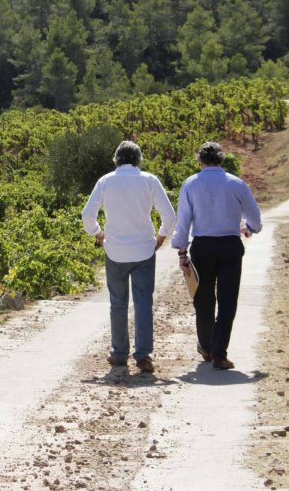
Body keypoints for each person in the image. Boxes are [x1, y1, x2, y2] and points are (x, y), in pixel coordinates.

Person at [82, 140, 176, 374]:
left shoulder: (105, 181)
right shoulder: (149, 180)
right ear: (138, 160)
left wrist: (98, 234)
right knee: (143, 303)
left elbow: (87, 215)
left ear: (116, 160)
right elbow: (170, 215)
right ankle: (143, 356)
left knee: (118, 303)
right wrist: (161, 238)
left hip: (115, 251)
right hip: (144, 249)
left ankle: (119, 353)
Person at [172, 141, 262, 370]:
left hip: (202, 247)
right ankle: (220, 353)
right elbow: (255, 219)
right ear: (221, 160)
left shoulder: (191, 184)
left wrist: (182, 251)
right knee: (227, 300)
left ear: (199, 161)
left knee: (203, 299)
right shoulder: (236, 183)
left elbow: (183, 221)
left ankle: (206, 346)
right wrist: (249, 229)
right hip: (230, 246)